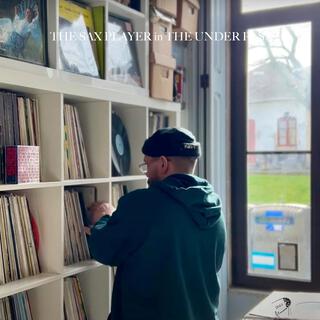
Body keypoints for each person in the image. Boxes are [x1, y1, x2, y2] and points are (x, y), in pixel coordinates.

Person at [87, 127, 226, 320]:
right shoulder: (214, 207)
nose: (146, 174)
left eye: (146, 165)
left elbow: (103, 249)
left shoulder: (143, 203)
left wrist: (103, 218)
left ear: (162, 163)